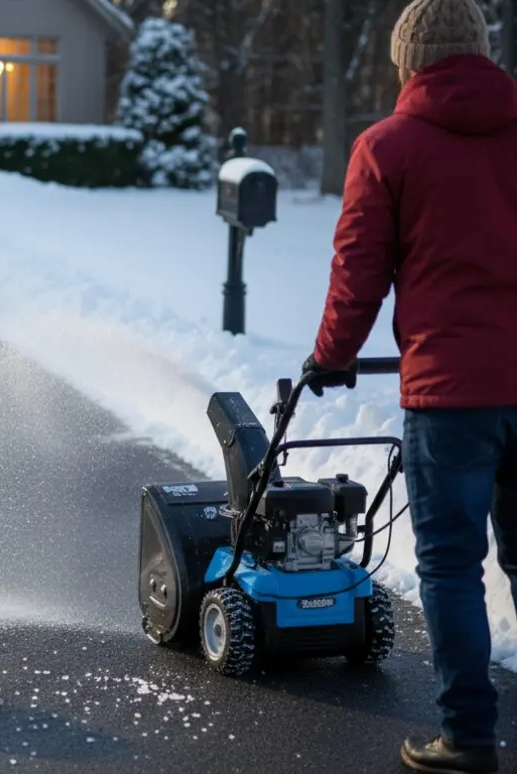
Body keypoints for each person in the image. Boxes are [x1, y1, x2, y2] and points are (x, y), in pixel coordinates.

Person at [301, 0, 517, 770]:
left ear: (408, 60)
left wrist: (331, 354)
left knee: (452, 566)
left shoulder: (388, 146)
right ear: (480, 52)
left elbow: (358, 272)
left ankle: (466, 737)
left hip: (453, 393)